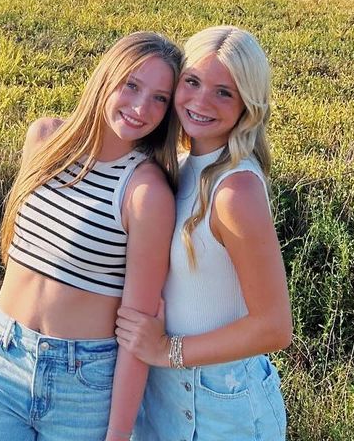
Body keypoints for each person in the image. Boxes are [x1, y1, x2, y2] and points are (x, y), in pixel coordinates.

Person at [0, 31, 183, 441]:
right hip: (1, 358)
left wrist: (118, 434)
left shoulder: (145, 193)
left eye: (159, 98)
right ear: (106, 77)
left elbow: (137, 327)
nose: (140, 107)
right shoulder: (44, 139)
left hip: (83, 384)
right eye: (131, 85)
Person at [115, 25, 292, 440]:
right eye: (192, 82)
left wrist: (166, 349)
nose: (200, 101)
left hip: (219, 404)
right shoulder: (178, 168)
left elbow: (274, 327)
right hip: (161, 393)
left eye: (223, 92)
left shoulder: (235, 191)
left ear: (248, 106)